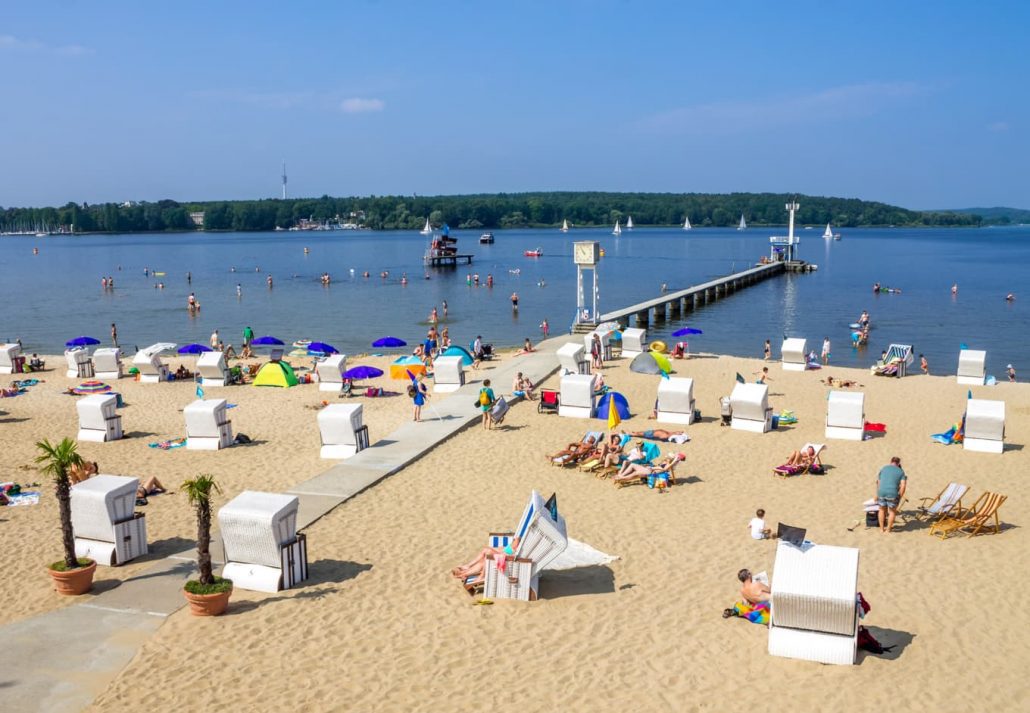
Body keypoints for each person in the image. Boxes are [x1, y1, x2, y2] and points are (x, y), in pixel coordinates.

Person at [451, 536, 520, 587]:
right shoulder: (519, 539)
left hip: (507, 559)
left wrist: (517, 538)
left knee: (487, 553)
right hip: (504, 553)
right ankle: (464, 572)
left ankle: (481, 575)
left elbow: (514, 546)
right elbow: (509, 548)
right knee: (484, 558)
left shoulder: (519, 540)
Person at [612, 453, 685, 489]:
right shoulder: (666, 462)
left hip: (650, 472)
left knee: (634, 474)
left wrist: (675, 460)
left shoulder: (669, 465)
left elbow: (664, 469)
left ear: (670, 459)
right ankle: (621, 475)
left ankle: (620, 478)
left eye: (668, 457)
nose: (666, 457)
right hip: (649, 469)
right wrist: (651, 467)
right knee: (632, 465)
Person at [876, 456, 907, 534]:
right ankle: (888, 530)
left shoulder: (884, 468)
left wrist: (879, 492)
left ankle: (881, 529)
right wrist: (900, 495)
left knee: (881, 510)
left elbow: (878, 482)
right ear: (899, 463)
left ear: (891, 461)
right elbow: (903, 485)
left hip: (881, 492)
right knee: (892, 512)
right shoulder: (901, 472)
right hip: (893, 493)